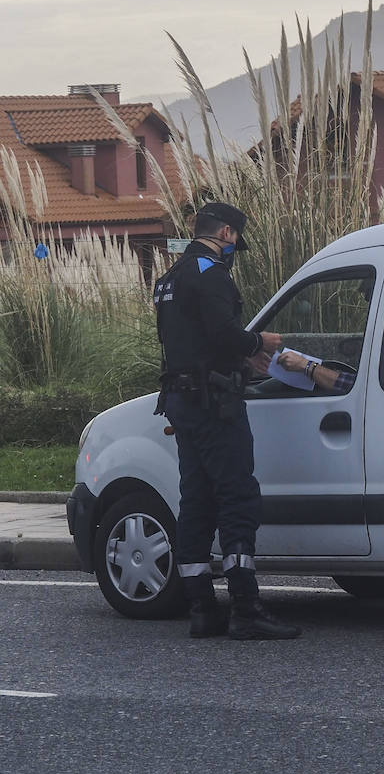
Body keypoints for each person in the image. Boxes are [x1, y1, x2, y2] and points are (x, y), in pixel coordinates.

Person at [152, 202, 302, 640]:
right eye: (236, 237)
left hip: (181, 400)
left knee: (196, 500)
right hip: (214, 401)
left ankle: (202, 607)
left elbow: (185, 341)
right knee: (237, 497)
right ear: (227, 233)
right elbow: (223, 334)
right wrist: (258, 341)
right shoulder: (211, 274)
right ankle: (246, 606)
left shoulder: (169, 279)